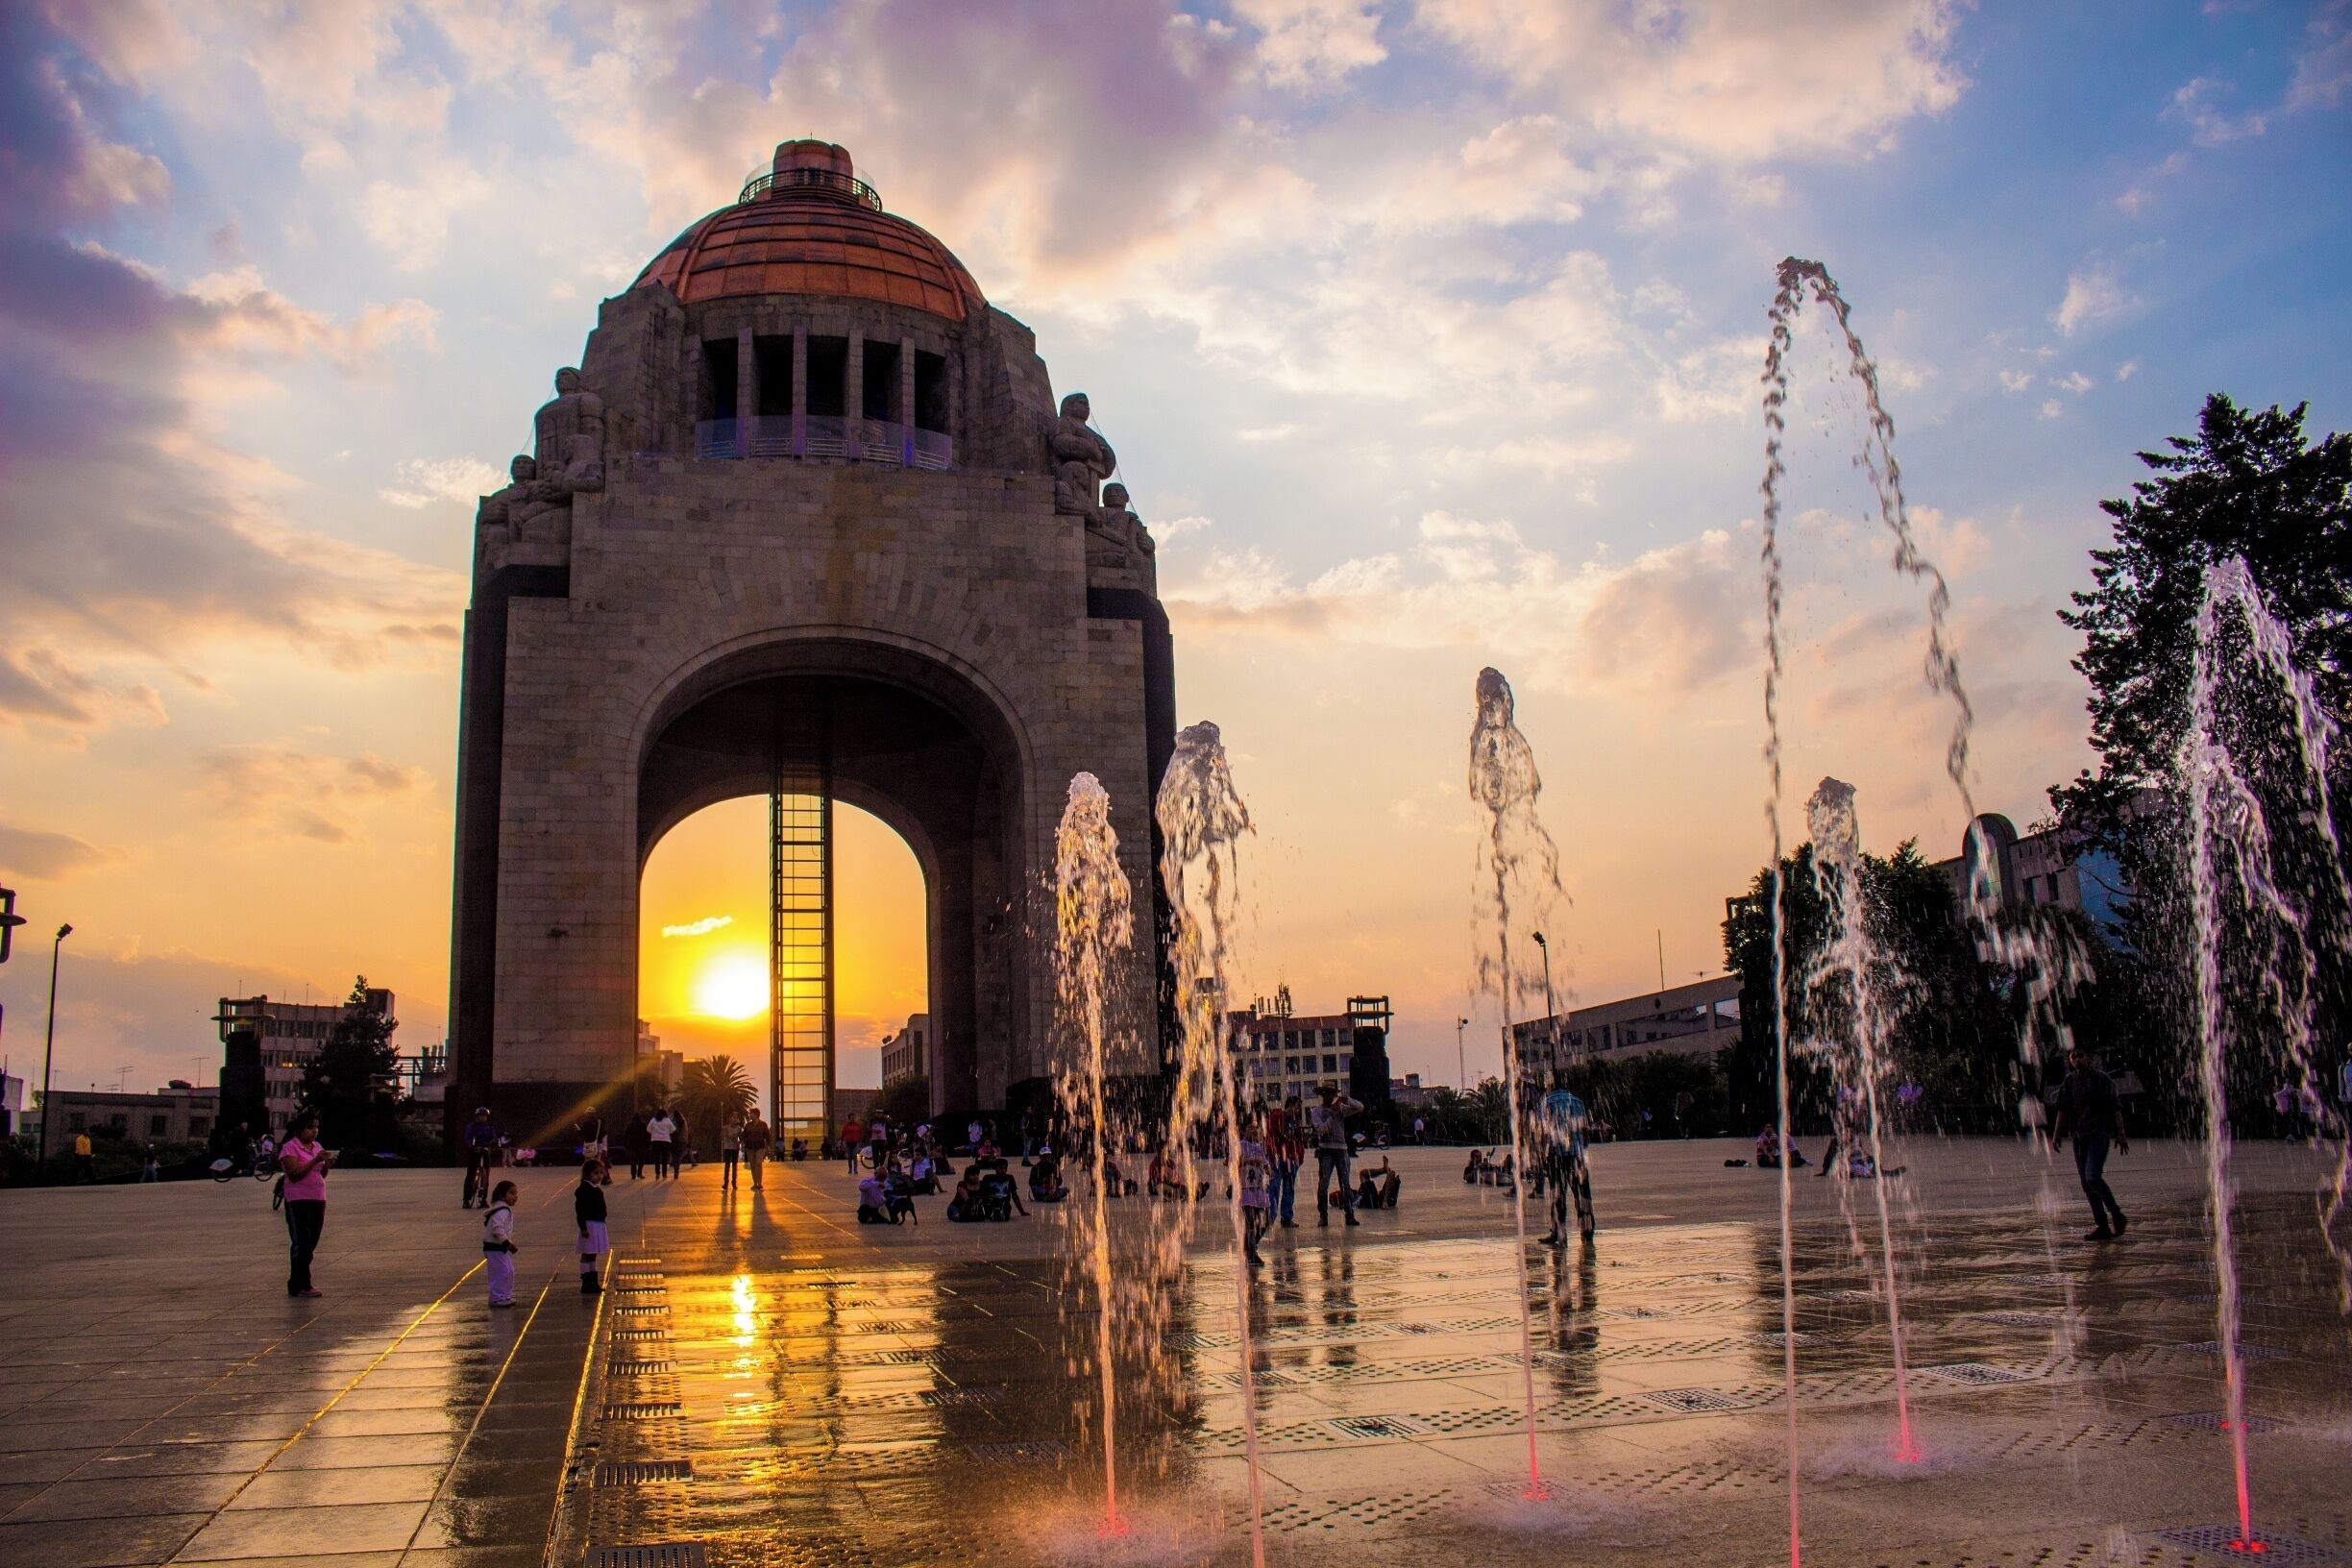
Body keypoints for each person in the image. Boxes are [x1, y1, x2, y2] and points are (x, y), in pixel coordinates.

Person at [2050, 1043, 2129, 1241]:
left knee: (2093, 1176)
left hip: (2098, 1134)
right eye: (2073, 1056)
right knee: (2086, 1183)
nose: (2077, 1059)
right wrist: (2057, 1134)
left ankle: (2116, 1213)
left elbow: (2115, 1107)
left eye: (2080, 1055)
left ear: (2088, 1057)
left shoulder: (2101, 1079)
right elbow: (2063, 1109)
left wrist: (2121, 1133)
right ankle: (2101, 1225)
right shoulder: (2069, 1081)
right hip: (2079, 1137)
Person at [279, 1111, 333, 1298]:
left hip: (317, 1198)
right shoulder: (289, 1148)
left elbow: (321, 1174)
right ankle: (300, 1283)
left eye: (316, 1127)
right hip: (298, 1199)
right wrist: (315, 1160)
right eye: (310, 1127)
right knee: (301, 1241)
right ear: (300, 1129)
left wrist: (326, 1163)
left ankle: (300, 1282)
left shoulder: (317, 1146)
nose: (314, 1131)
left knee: (311, 1241)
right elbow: (295, 1174)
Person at [1538, 1087, 1592, 1245]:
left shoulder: (1547, 1103)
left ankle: (1559, 1233)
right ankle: (1587, 1231)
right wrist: (1583, 1149)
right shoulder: (1576, 1101)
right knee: (1582, 1195)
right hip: (1576, 1156)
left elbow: (1544, 1133)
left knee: (1558, 1196)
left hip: (1557, 1156)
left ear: (1549, 1089)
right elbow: (1584, 1129)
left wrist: (1543, 1154)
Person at [1311, 1084, 1363, 1227]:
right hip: (1326, 1149)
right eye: (1326, 1094)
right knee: (1323, 1184)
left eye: (1331, 1094)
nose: (1329, 1097)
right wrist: (1332, 1118)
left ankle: (1349, 1214)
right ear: (1322, 1095)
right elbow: (1321, 1129)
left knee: (1345, 1184)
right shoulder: (1317, 1111)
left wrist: (1348, 1100)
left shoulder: (1340, 1109)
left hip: (1341, 1149)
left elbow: (1360, 1107)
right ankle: (1323, 1215)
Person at [1237, 1113, 1273, 1268]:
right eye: (1251, 1128)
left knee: (1265, 1221)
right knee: (1251, 1222)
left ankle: (1250, 1246)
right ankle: (1251, 1254)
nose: (1254, 1132)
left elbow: (1265, 1163)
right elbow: (1233, 1163)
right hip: (1246, 1189)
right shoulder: (1240, 1145)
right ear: (1244, 1130)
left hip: (1258, 1189)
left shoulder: (1259, 1147)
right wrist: (1250, 1160)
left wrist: (1268, 1170)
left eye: (1256, 1129)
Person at [1268, 1094, 1305, 1229]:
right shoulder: (1277, 1117)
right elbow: (1271, 1137)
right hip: (1278, 1158)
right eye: (1297, 1107)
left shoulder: (1295, 1122)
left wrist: (1299, 1157)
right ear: (1289, 1106)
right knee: (1275, 1187)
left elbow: (1300, 1140)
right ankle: (1270, 1217)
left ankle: (1286, 1217)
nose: (1298, 1110)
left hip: (1291, 1159)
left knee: (1289, 1189)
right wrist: (1274, 1155)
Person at [483, 1180, 521, 1308]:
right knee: (501, 1272)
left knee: (507, 1271)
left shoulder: (502, 1209)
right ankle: (497, 1297)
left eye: (516, 1193)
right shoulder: (503, 1211)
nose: (515, 1196)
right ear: (502, 1195)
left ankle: (504, 1295)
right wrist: (507, 1243)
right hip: (495, 1247)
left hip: (498, 1248)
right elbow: (497, 1228)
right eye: (511, 1193)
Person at [576, 1159, 608, 1294]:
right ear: (588, 1174)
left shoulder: (595, 1189)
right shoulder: (584, 1190)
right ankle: (586, 1282)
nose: (599, 1176)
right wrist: (583, 1227)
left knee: (593, 1253)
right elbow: (580, 1210)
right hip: (589, 1225)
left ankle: (593, 1281)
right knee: (587, 1253)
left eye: (601, 1173)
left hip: (598, 1224)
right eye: (596, 1173)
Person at [461, 1107, 499, 1209]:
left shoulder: (490, 1127)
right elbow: (468, 1138)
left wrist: (495, 1143)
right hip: (475, 1151)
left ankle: (483, 1200)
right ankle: (466, 1199)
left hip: (485, 1151)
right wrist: (471, 1146)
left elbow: (494, 1138)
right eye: (481, 1116)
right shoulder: (472, 1126)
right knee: (470, 1175)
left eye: (485, 1116)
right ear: (477, 1117)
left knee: (486, 1176)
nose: (483, 1118)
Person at [742, 1113, 772, 1190]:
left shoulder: (763, 1124)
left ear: (756, 1114)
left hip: (760, 1147)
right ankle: (755, 1183)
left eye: (751, 1114)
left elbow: (767, 1135)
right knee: (752, 1164)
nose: (750, 1115)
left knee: (758, 1163)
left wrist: (768, 1145)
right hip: (749, 1147)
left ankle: (760, 1183)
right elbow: (744, 1135)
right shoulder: (747, 1125)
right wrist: (743, 1143)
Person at [646, 1107, 675, 1178]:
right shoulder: (667, 1120)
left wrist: (654, 1132)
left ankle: (657, 1173)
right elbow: (673, 1130)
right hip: (665, 1141)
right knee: (664, 1158)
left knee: (657, 1158)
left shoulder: (653, 1120)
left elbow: (648, 1129)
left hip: (655, 1141)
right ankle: (664, 1174)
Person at [720, 1115, 744, 1191]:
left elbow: (741, 1138)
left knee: (734, 1166)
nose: (735, 1119)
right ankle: (726, 1183)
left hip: (735, 1148)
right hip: (727, 1148)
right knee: (727, 1166)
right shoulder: (725, 1127)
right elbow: (721, 1137)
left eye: (737, 1117)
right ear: (730, 1118)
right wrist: (725, 1134)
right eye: (734, 1117)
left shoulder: (739, 1128)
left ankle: (734, 1182)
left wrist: (739, 1143)